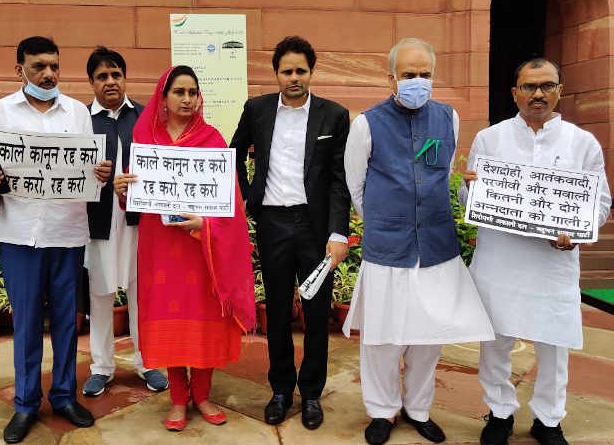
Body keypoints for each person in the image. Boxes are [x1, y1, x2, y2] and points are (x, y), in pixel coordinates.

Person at [343, 37, 495, 445]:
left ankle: (418, 408)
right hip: (388, 248)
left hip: (436, 245)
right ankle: (382, 411)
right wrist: (388, 218)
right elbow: (355, 187)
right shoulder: (366, 124)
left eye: (424, 75)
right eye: (408, 75)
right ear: (390, 77)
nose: (417, 81)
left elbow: (442, 173)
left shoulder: (450, 118)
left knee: (428, 338)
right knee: (383, 338)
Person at [0, 36, 108, 444]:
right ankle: (26, 403)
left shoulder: (79, 113)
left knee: (68, 321)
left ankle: (63, 396)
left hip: (67, 233)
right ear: (20, 71)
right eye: (38, 67)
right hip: (18, 234)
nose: (48, 74)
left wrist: (97, 174)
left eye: (54, 66)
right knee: (27, 322)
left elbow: (87, 166)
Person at [465, 58, 611, 445]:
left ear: (560, 90)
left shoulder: (582, 143)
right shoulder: (490, 139)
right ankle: (499, 413)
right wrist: (472, 189)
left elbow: (599, 201)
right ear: (515, 92)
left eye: (546, 85)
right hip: (500, 262)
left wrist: (579, 232)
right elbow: (472, 200)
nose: (538, 94)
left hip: (553, 264)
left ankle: (549, 419)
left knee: (555, 345)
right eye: (529, 87)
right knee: (495, 343)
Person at [113, 65, 254, 431]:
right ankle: (178, 399)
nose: (187, 99)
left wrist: (205, 226)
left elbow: (231, 203)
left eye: (193, 92)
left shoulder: (212, 140)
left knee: (203, 321)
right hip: (160, 248)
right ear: (164, 96)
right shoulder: (146, 138)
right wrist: (124, 191)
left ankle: (203, 396)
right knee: (169, 320)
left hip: (200, 249)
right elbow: (136, 200)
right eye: (179, 92)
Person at [229, 35, 350, 430]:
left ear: (311, 72)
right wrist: (249, 199)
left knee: (316, 314)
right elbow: (234, 154)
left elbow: (338, 180)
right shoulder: (258, 110)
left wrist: (338, 232)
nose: (293, 77)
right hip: (273, 224)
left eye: (301, 70)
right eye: (286, 71)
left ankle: (311, 394)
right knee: (278, 311)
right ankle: (281, 389)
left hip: (315, 230)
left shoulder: (333, 115)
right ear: (276, 74)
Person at [81, 46, 168, 397]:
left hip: (140, 223)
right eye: (102, 76)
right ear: (91, 82)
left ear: (125, 78)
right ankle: (101, 366)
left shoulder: (146, 117)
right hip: (98, 221)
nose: (110, 81)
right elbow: (70, 175)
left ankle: (148, 362)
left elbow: (162, 167)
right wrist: (97, 178)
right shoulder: (80, 121)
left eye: (116, 74)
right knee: (100, 293)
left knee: (142, 293)